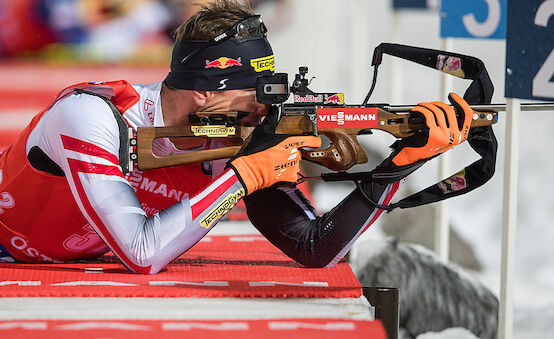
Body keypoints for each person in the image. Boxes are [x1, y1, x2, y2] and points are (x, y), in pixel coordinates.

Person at [0, 0, 474, 274]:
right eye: (257, 93)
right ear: (205, 95)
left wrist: (398, 166)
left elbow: (316, 249)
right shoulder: (91, 117)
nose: (267, 109)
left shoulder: (234, 133)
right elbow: (142, 254)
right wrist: (242, 179)